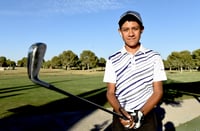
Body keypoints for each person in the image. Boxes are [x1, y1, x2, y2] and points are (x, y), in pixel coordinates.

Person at [103, 10, 167, 131]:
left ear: (141, 29)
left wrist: (140, 114)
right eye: (126, 29)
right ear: (120, 32)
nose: (130, 33)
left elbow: (158, 91)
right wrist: (121, 111)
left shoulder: (154, 57)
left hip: (146, 116)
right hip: (120, 115)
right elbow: (110, 92)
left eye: (135, 28)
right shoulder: (112, 59)